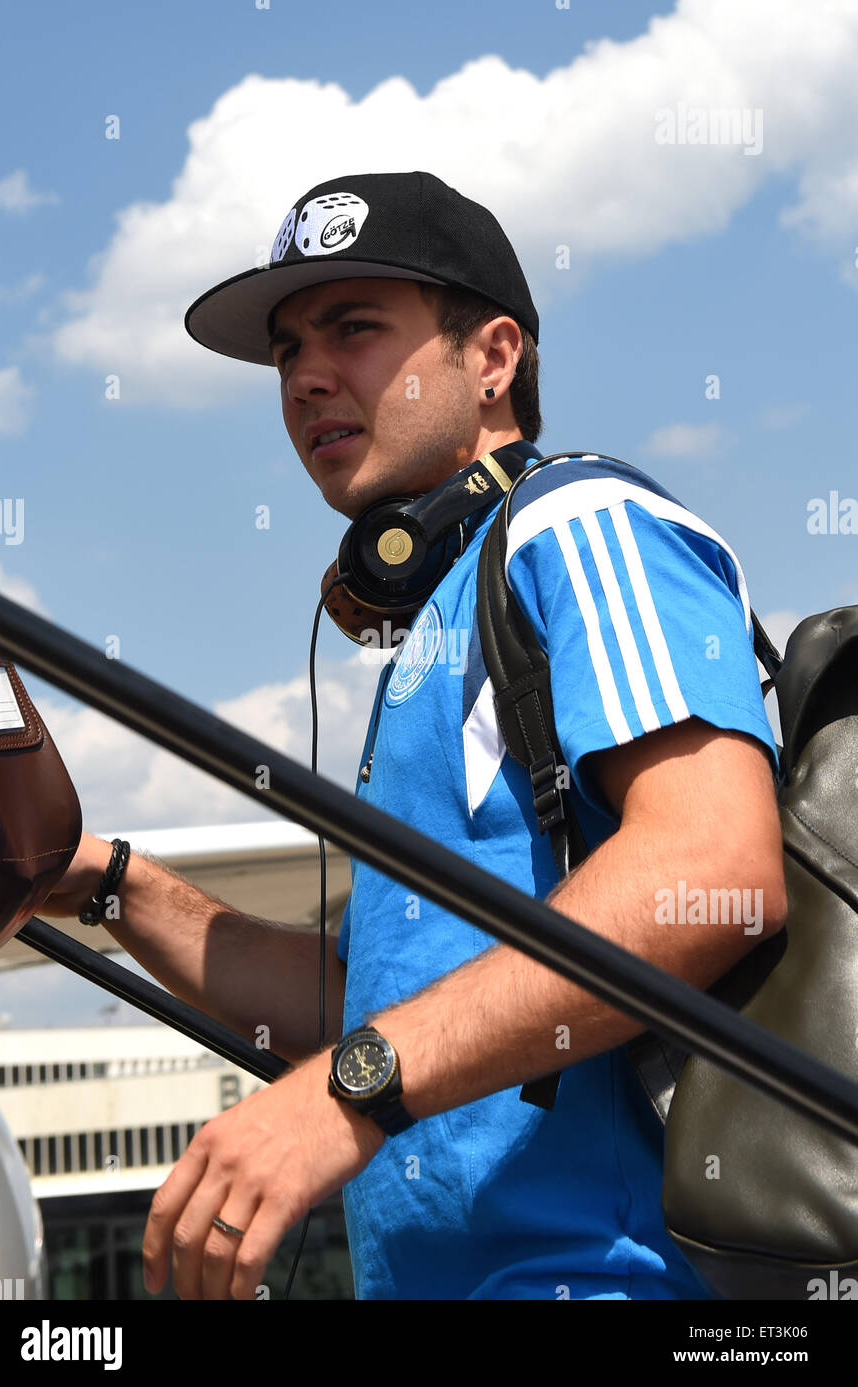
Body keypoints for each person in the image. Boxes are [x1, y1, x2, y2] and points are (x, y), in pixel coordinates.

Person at [45, 171, 787, 1301]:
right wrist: (105, 882)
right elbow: (370, 1014)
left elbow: (713, 868)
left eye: (352, 328)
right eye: (288, 348)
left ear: (493, 357)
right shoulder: (435, 628)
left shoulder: (581, 524)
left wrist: (350, 1087)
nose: (302, 376)